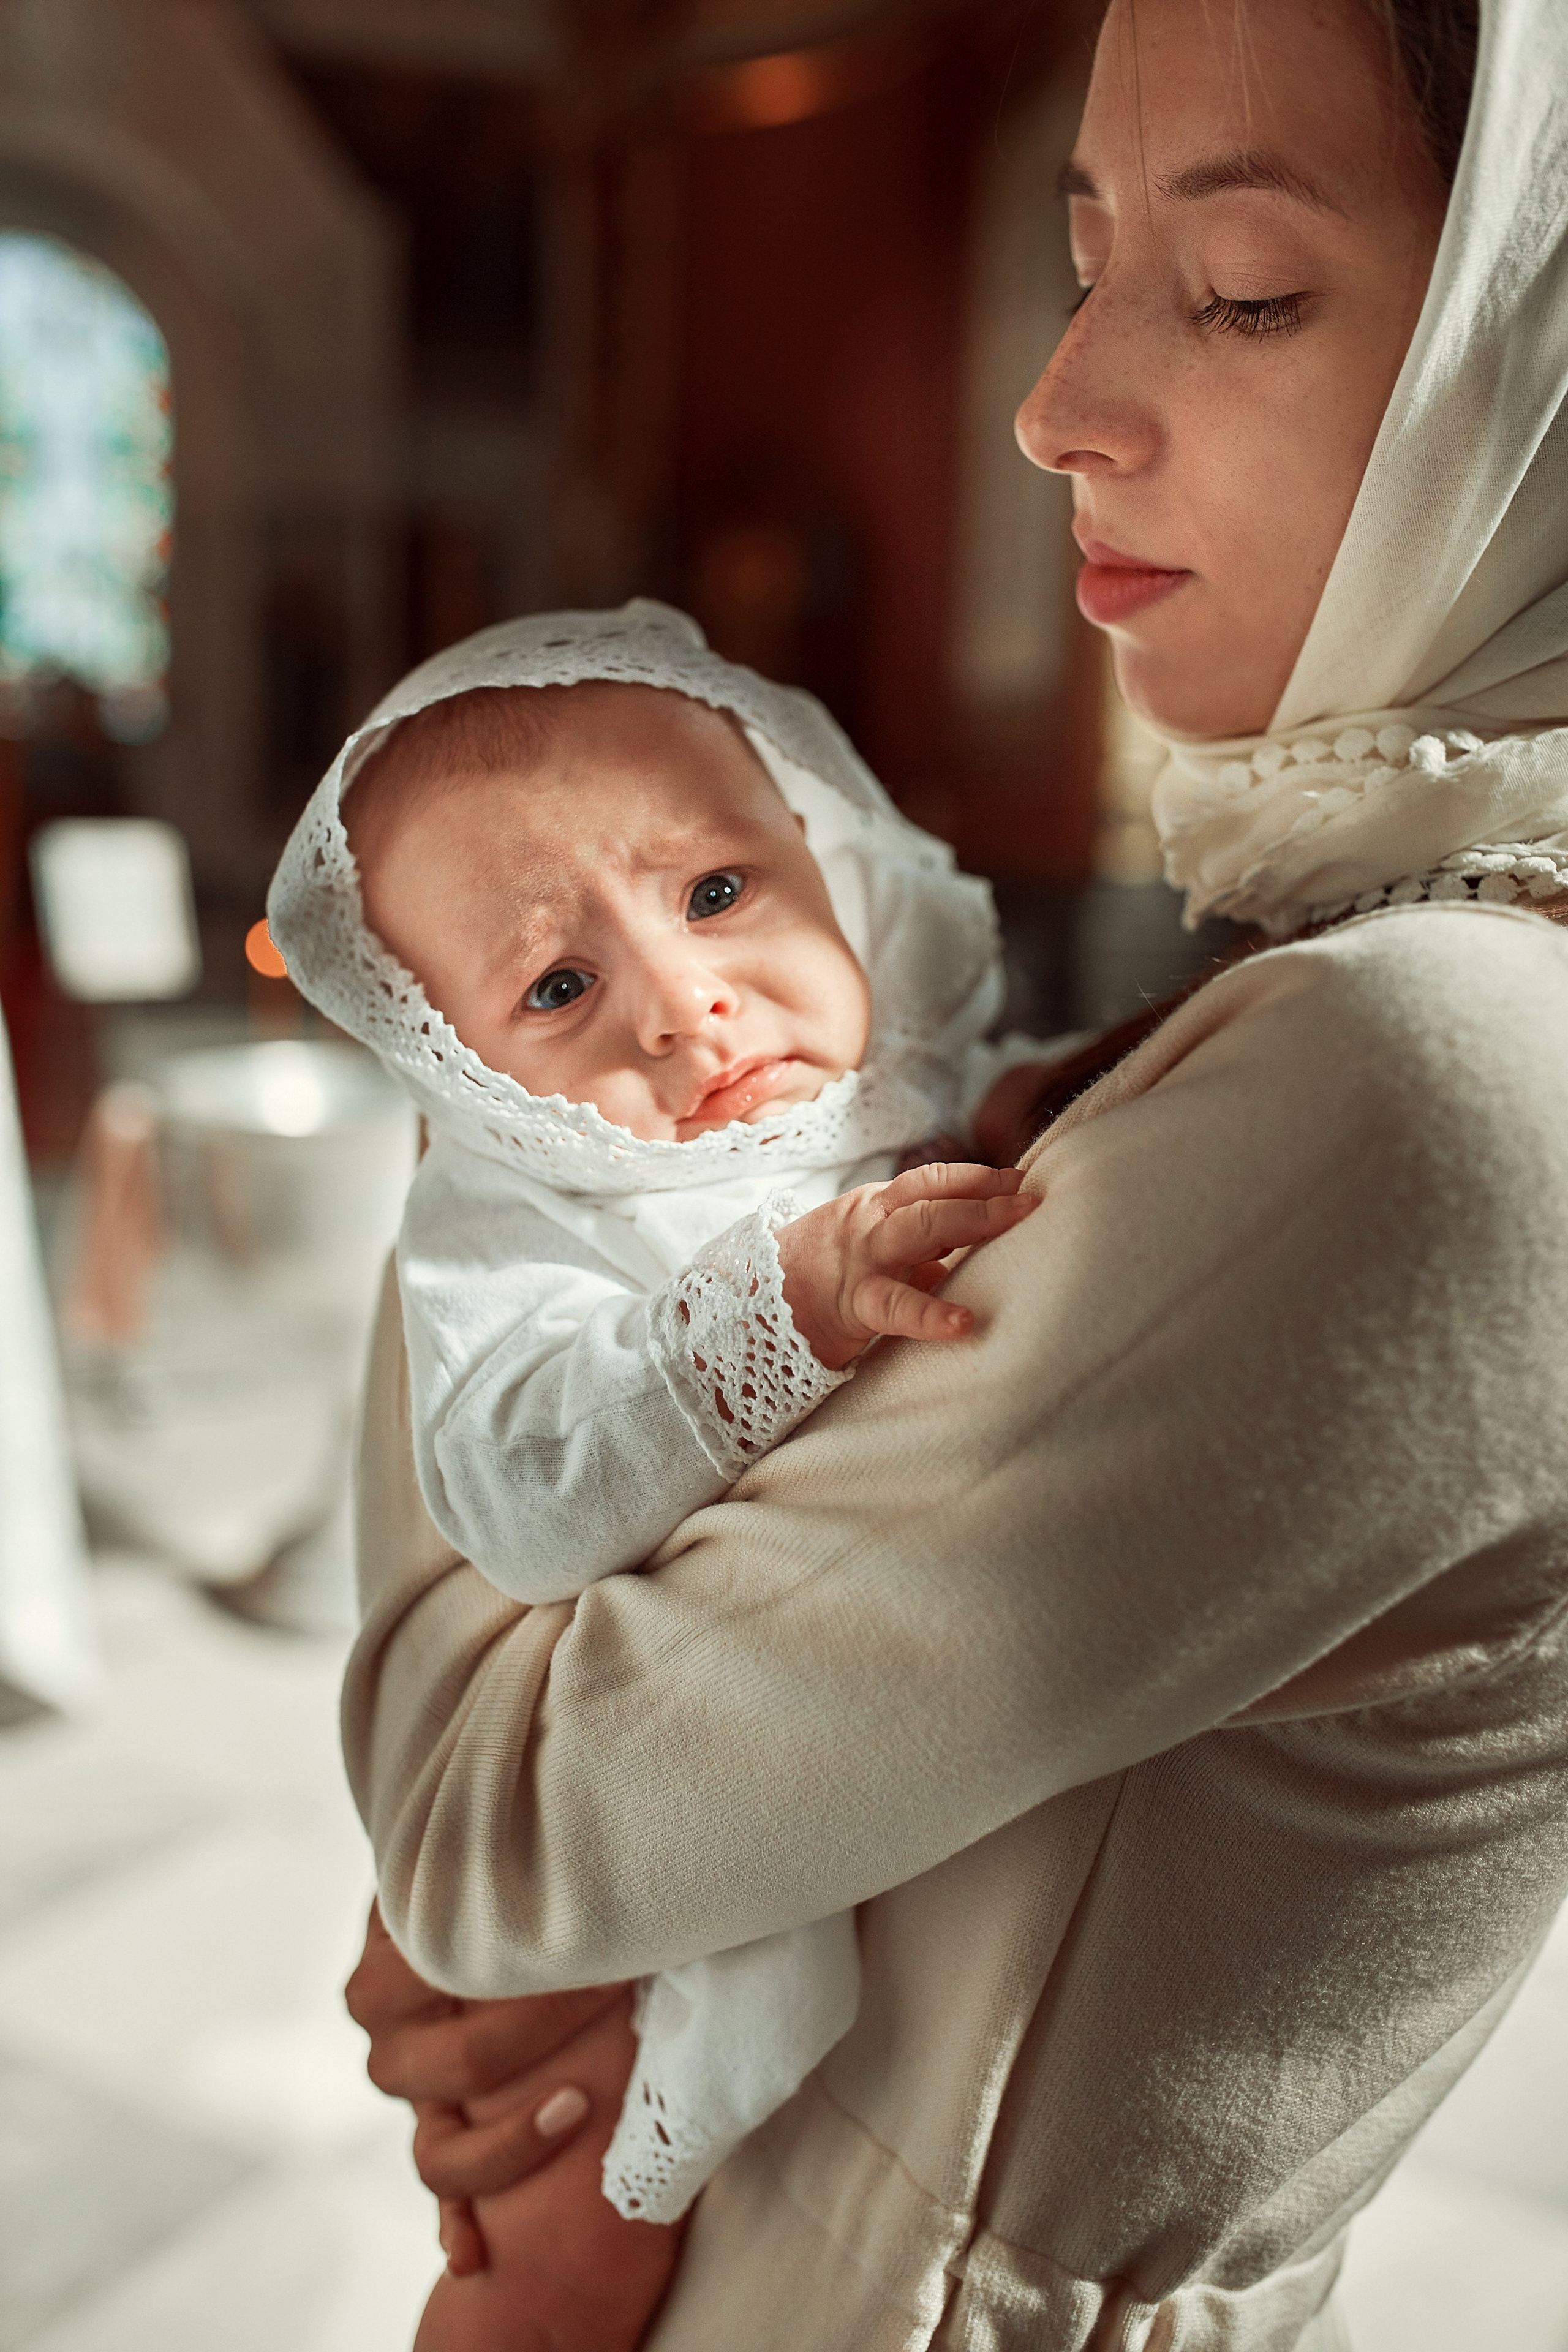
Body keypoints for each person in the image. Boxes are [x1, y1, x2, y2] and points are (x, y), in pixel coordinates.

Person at [334, 0, 1568, 2345]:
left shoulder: (1440, 1076)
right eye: (1087, 253)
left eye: (1244, 292)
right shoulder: (1394, 962)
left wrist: (492, 1137)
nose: (1053, 401)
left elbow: (500, 1830)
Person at [266, 613, 1049, 2335]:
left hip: (850, 1810)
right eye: (557, 988)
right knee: (548, 2251)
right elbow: (517, 1482)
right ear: (464, 1071)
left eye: (715, 893)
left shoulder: (907, 1083)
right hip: (619, 1902)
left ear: (824, 845)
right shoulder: (516, 1208)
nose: (685, 1008)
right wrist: (764, 1317)